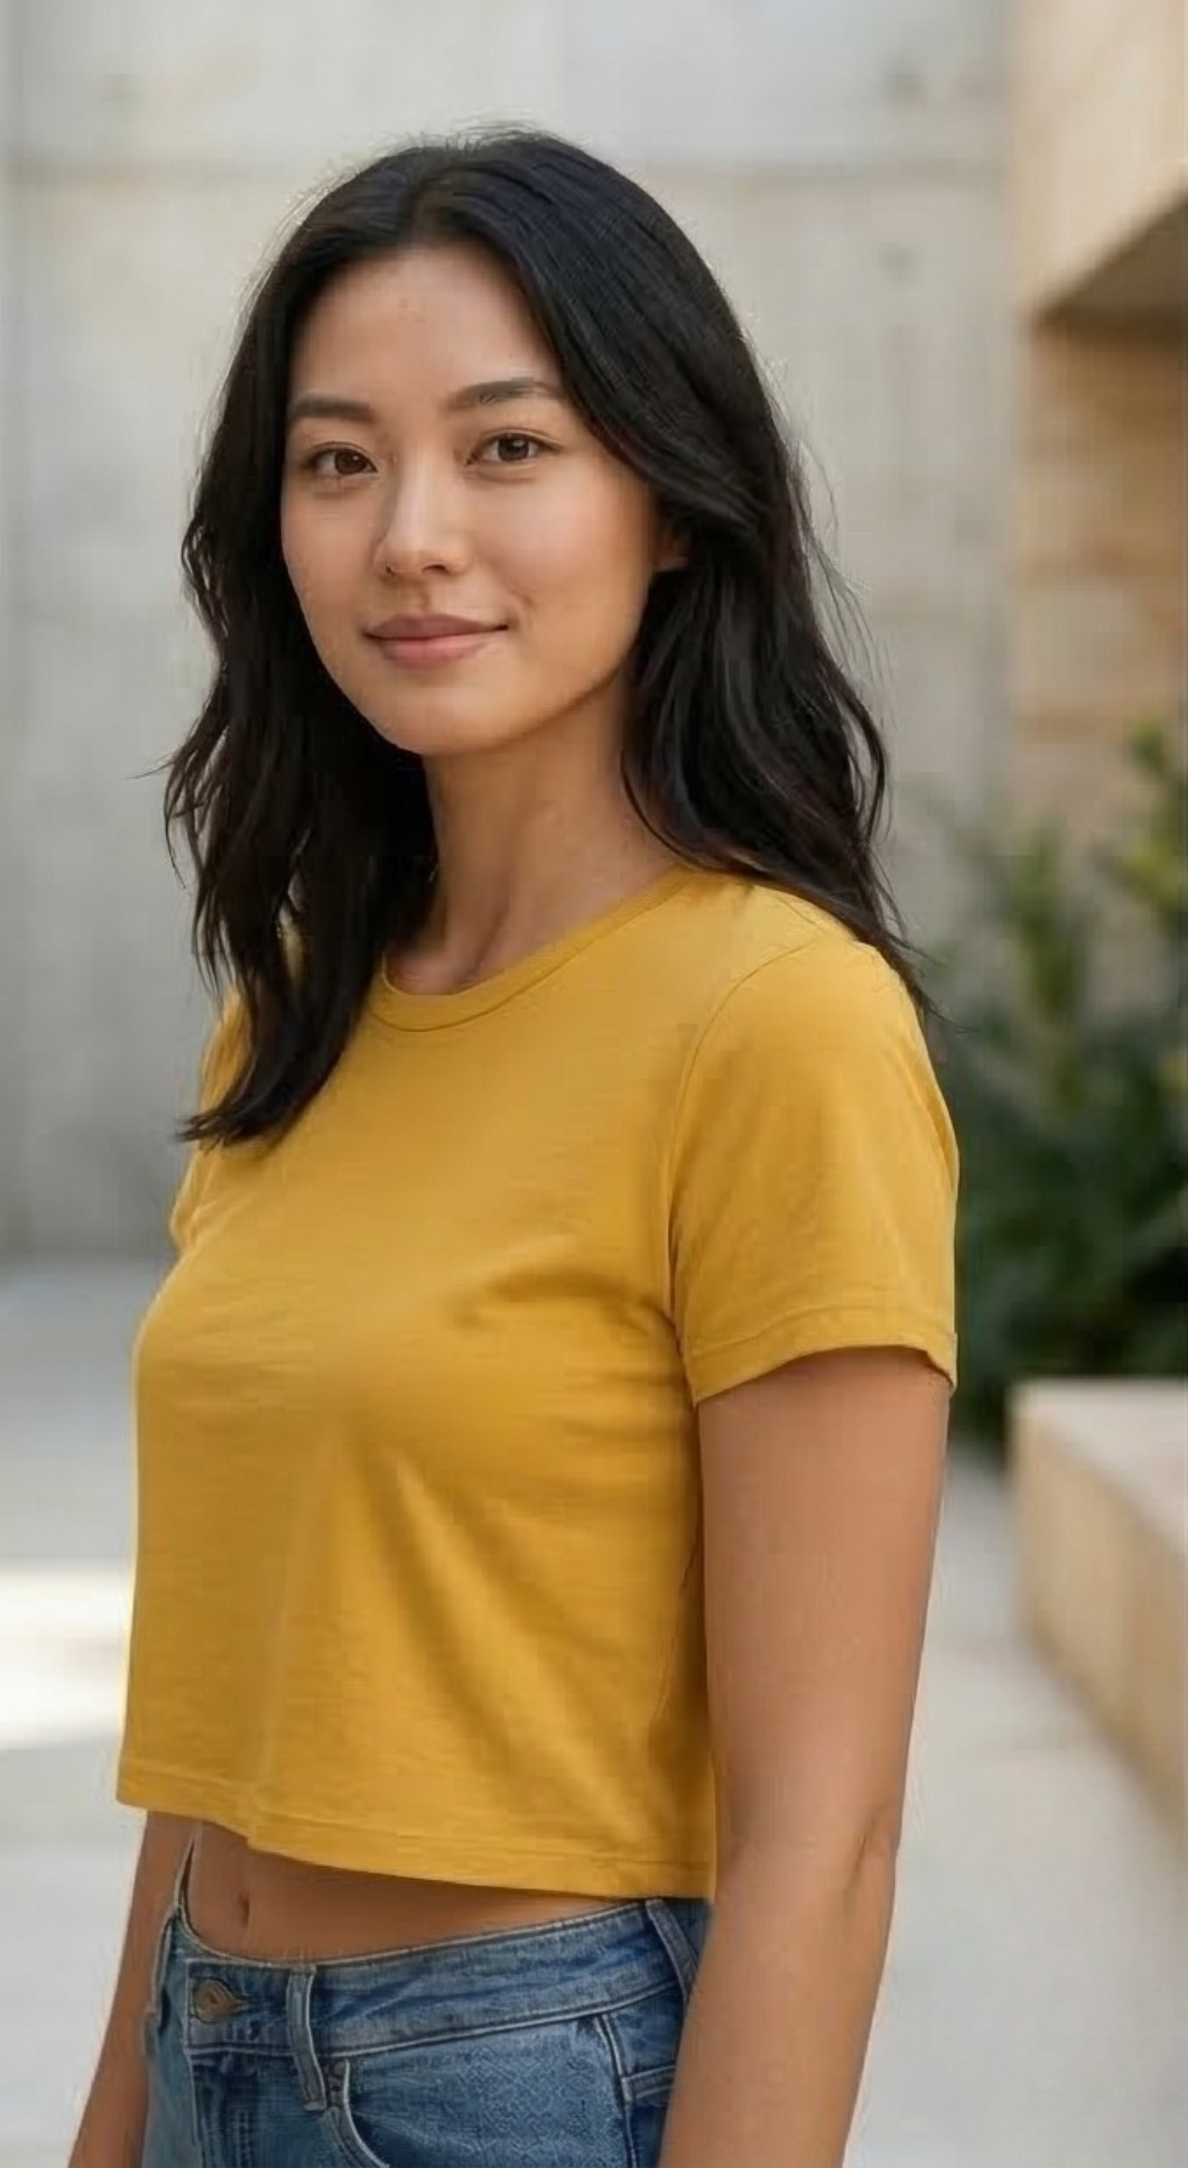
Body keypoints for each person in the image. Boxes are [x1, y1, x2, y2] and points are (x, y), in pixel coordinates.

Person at [68, 125, 959, 2168]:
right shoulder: (296, 1012)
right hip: (209, 2031)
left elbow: (821, 1835)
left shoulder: (773, 1023)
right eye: (336, 459)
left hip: (519, 2081)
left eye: (504, 448)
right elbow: (229, 1723)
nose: (409, 536)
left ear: (667, 502)